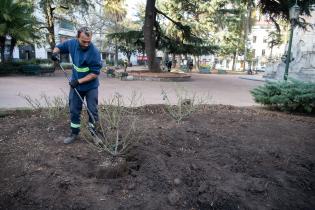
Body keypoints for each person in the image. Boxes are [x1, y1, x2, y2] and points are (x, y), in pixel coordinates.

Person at [51, 27, 102, 144]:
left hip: (90, 86)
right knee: (74, 109)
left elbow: (94, 73)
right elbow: (59, 47)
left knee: (92, 110)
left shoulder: (94, 52)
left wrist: (78, 81)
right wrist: (54, 53)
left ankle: (94, 133)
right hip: (76, 85)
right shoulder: (71, 44)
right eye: (83, 41)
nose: (86, 44)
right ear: (77, 37)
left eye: (89, 41)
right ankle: (74, 133)